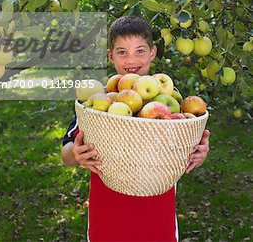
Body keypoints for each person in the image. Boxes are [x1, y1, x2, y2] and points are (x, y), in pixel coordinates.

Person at [61, 16, 210, 242]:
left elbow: (184, 144)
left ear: (153, 52)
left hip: (158, 217)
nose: (131, 60)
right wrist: (76, 154)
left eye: (140, 51)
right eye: (122, 52)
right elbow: (66, 154)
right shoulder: (98, 102)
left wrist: (198, 151)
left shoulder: (170, 100)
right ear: (110, 56)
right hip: (108, 217)